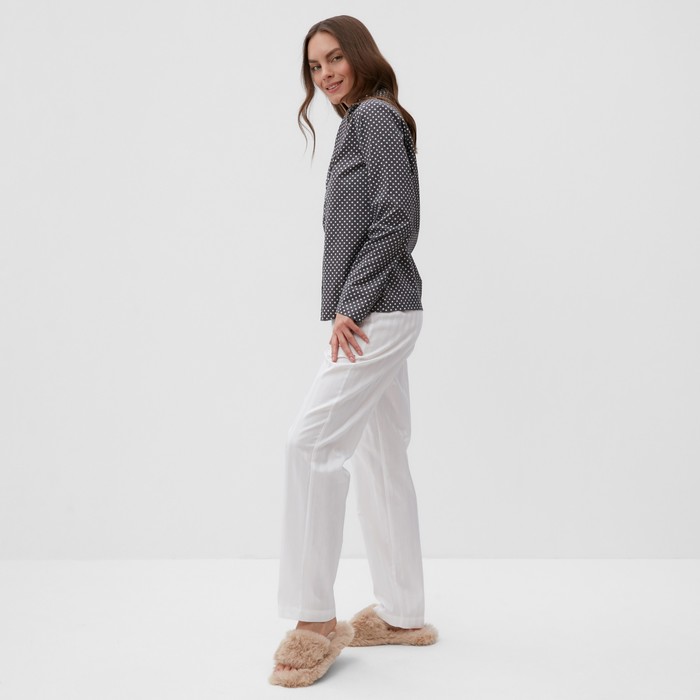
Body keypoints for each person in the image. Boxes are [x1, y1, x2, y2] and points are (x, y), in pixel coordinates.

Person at [269, 15, 438, 688]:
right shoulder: (367, 120)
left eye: (335, 58)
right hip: (383, 311)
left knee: (309, 445)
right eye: (315, 67)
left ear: (361, 55)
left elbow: (398, 216)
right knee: (379, 456)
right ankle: (402, 613)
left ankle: (314, 621)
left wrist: (352, 301)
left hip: (378, 314)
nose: (326, 74)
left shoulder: (372, 117)